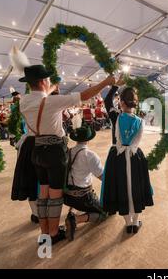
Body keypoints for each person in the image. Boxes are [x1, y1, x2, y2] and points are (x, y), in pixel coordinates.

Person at [9, 46, 115, 245]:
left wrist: (50, 87)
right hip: (55, 152)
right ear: (43, 81)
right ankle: (53, 233)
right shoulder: (52, 102)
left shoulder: (24, 101)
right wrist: (106, 82)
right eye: (47, 80)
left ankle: (44, 233)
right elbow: (84, 95)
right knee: (55, 195)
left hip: (36, 150)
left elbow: (42, 95)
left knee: (43, 194)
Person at [101, 86, 154, 234]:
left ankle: (128, 223)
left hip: (117, 157)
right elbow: (137, 140)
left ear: (121, 102)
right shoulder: (140, 120)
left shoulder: (116, 116)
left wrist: (115, 86)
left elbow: (107, 101)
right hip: (135, 156)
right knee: (136, 187)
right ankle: (135, 223)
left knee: (120, 187)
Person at [64, 124, 106, 241]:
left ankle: (72, 210)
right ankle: (75, 219)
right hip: (84, 197)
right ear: (88, 139)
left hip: (66, 196)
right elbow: (103, 177)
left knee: (76, 183)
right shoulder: (90, 155)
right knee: (103, 214)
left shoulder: (68, 152)